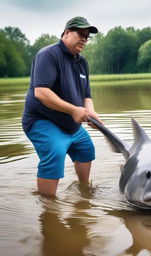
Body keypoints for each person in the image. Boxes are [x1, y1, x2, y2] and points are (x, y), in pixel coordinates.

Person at [22, 16, 102, 196]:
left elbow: (86, 96)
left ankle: (84, 191)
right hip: (42, 120)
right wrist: (74, 110)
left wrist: (90, 112)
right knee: (56, 152)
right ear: (66, 33)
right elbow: (41, 92)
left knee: (86, 149)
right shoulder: (48, 55)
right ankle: (48, 205)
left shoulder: (82, 63)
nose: (84, 39)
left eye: (87, 36)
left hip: (69, 123)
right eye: (80, 33)